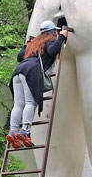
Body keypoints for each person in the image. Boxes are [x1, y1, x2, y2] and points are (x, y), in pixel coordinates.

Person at [7, 20, 69, 148]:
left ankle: (13, 132)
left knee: (18, 104)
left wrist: (25, 46)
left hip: (18, 72)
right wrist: (62, 36)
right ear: (53, 31)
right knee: (30, 102)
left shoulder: (34, 43)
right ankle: (25, 131)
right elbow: (52, 51)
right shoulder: (50, 40)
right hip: (31, 72)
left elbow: (20, 57)